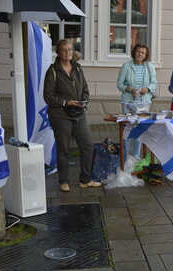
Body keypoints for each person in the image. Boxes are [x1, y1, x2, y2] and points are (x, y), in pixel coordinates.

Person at [43, 39, 101, 192]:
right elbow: (48, 96)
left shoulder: (78, 69)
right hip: (60, 115)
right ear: (58, 52)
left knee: (88, 145)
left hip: (79, 114)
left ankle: (85, 179)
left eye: (69, 49)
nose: (68, 52)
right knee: (64, 149)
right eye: (64, 49)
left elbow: (85, 89)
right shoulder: (53, 71)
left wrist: (83, 101)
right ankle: (63, 181)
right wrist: (67, 102)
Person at [116, 43, 157, 158]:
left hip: (143, 102)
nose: (140, 54)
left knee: (139, 129)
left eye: (143, 52)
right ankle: (125, 156)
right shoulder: (126, 66)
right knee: (127, 128)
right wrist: (129, 89)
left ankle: (136, 156)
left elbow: (154, 83)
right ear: (134, 52)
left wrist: (147, 89)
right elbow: (119, 84)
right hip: (128, 102)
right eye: (138, 51)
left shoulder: (149, 67)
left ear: (146, 55)